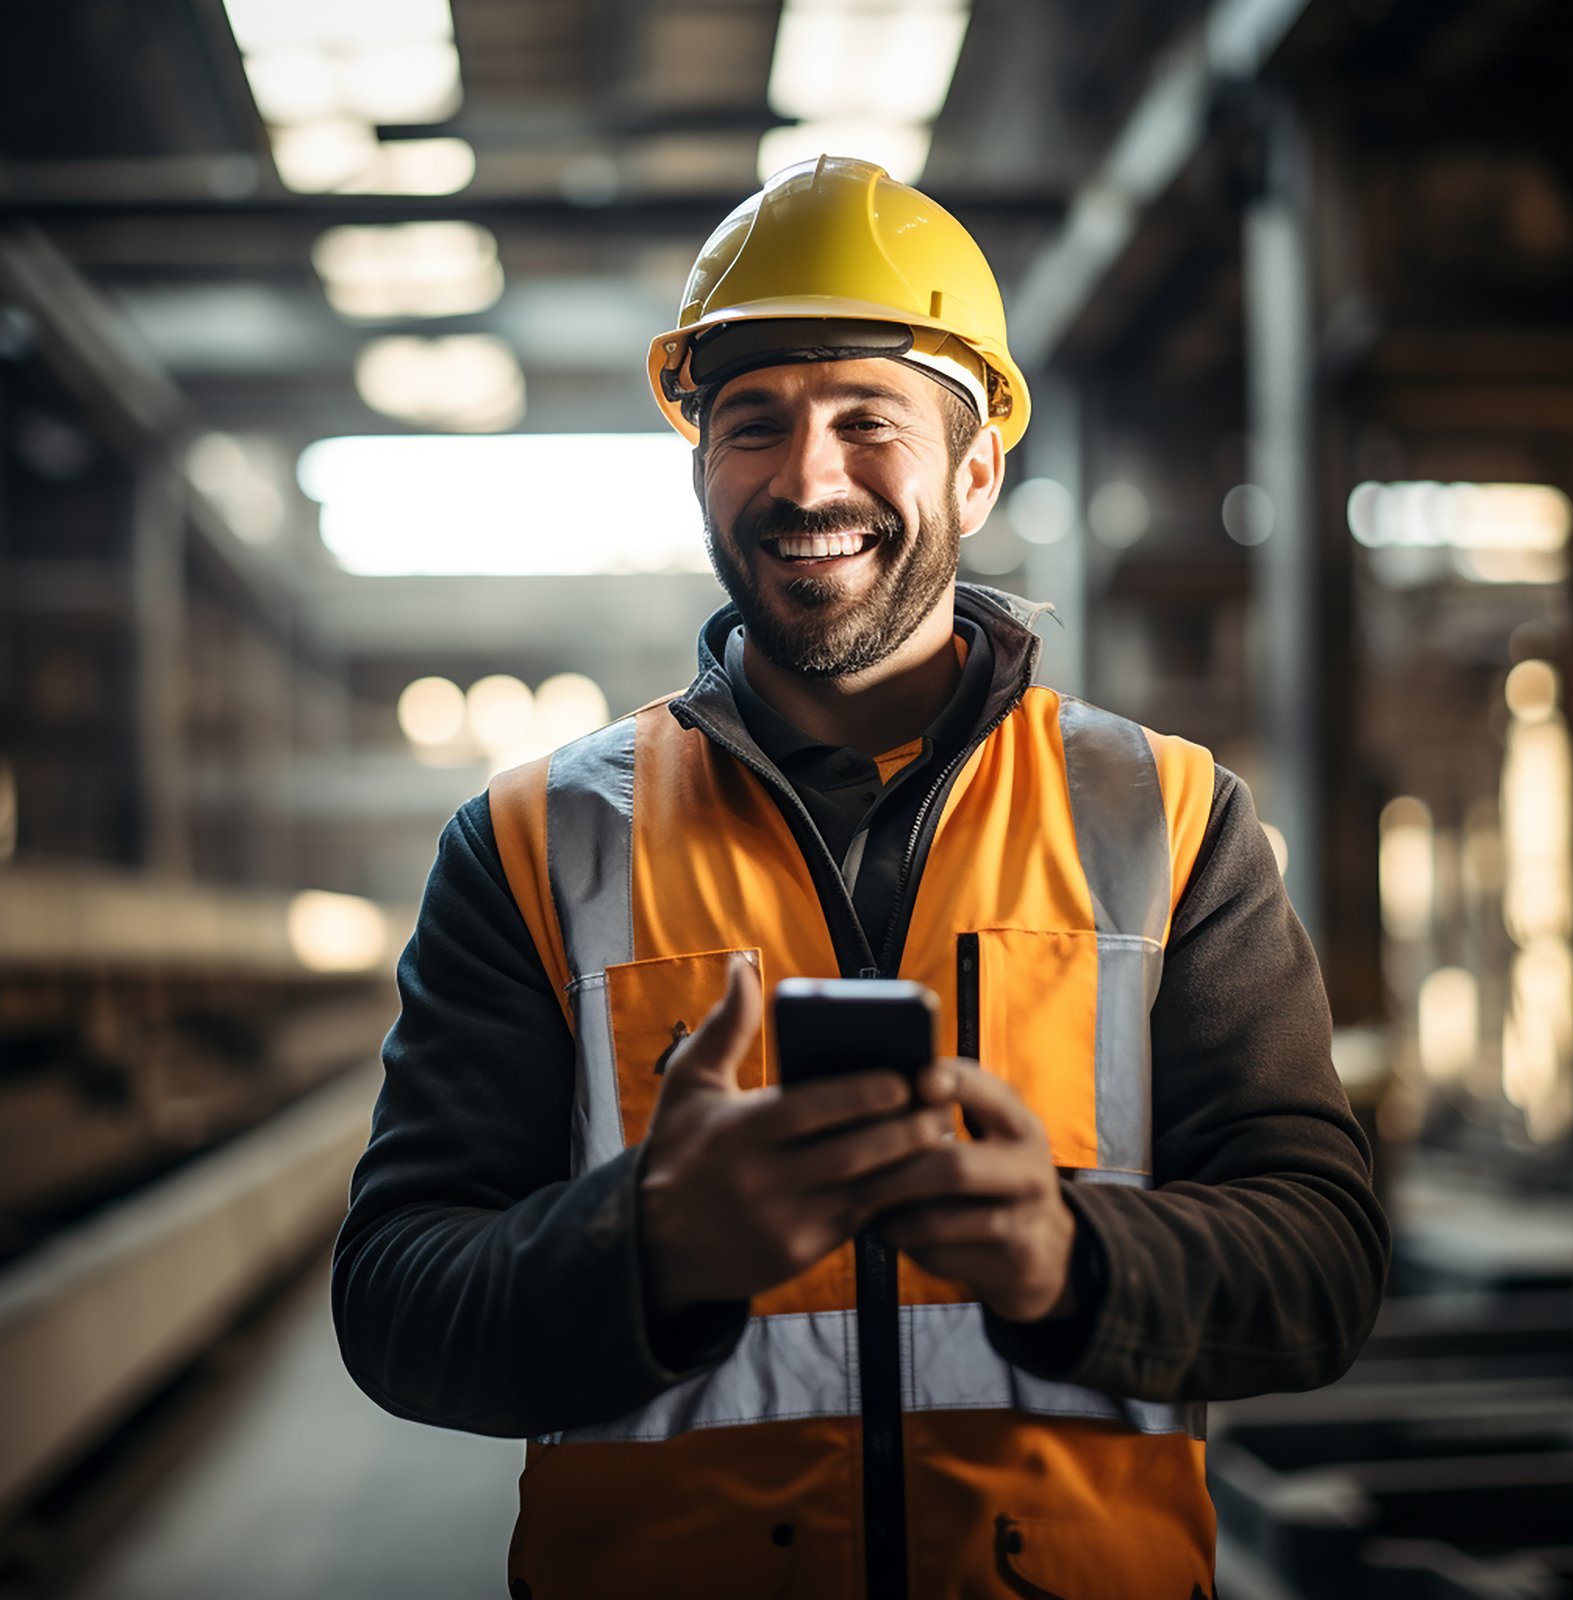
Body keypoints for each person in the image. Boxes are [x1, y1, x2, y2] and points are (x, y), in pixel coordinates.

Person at [332, 155, 1389, 1600]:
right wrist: (645, 1247)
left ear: (975, 467)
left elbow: (1320, 1264)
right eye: (751, 423)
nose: (806, 478)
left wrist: (1067, 1256)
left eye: (865, 420)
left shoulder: (1172, 819)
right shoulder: (532, 844)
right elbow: (396, 1301)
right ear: (701, 463)